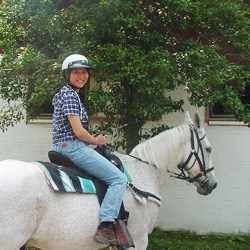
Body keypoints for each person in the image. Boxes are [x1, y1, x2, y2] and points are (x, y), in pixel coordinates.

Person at [52, 54, 127, 245]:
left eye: (84, 72)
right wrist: (95, 140)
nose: (81, 76)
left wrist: (91, 139)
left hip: (65, 146)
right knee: (119, 179)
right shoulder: (70, 95)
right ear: (67, 74)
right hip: (74, 147)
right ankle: (106, 226)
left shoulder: (67, 94)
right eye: (76, 72)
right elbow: (78, 132)